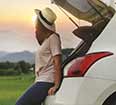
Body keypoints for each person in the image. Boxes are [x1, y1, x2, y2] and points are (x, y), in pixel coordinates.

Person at [16, 7, 62, 105]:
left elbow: (57, 61)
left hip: (47, 80)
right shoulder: (46, 40)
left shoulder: (53, 38)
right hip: (41, 80)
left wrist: (56, 85)